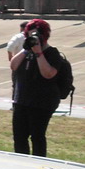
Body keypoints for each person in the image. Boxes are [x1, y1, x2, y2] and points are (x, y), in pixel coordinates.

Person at [10, 18, 64, 157]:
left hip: (42, 103)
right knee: (19, 136)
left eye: (35, 35)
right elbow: (13, 66)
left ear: (44, 36)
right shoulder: (26, 52)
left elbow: (48, 74)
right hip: (22, 101)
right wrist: (26, 48)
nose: (32, 38)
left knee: (37, 136)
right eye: (29, 35)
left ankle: (38, 164)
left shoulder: (53, 54)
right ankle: (22, 163)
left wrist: (39, 52)